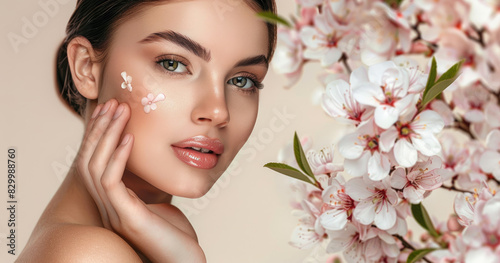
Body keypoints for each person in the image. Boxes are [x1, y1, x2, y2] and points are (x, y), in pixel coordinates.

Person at [16, 0, 277, 262]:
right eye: (173, 64)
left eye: (242, 80)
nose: (219, 111)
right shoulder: (91, 254)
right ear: (87, 68)